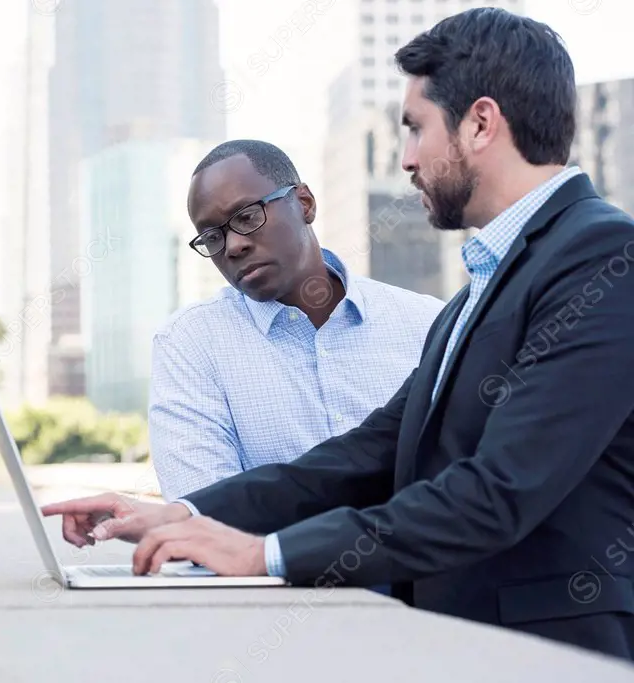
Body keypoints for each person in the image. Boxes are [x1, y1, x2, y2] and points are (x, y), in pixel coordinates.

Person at [43, 7, 634, 660]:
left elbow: (497, 492)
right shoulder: (481, 287)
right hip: (465, 646)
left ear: (481, 123)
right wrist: (180, 514)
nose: (407, 160)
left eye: (416, 129)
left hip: (556, 654)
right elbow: (363, 458)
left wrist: (266, 553)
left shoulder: (601, 257)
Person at [150, 140, 445, 502]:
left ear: (304, 203)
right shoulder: (190, 345)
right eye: (212, 237)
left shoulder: (427, 324)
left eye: (246, 216)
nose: (232, 247)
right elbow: (203, 515)